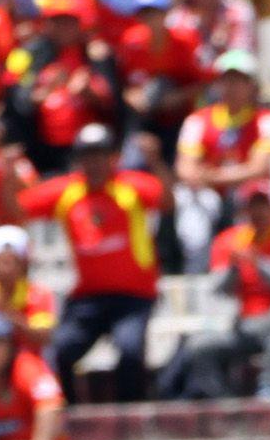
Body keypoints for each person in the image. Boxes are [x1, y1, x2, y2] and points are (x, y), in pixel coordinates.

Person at [21, 124, 167, 403]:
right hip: (89, 298)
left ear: (113, 158)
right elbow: (20, 207)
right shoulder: (68, 191)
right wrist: (8, 174)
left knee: (130, 350)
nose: (94, 163)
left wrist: (156, 162)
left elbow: (167, 201)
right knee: (61, 349)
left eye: (100, 155)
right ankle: (70, 416)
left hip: (135, 297)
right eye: (87, 156)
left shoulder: (132, 186)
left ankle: (130, 417)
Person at [168, 184, 270, 401]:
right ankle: (226, 402)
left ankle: (269, 386)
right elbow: (218, 289)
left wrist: (259, 263)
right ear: (242, 212)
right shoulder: (229, 241)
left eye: (263, 206)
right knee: (199, 346)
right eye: (252, 207)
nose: (258, 212)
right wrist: (234, 268)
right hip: (248, 326)